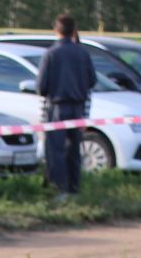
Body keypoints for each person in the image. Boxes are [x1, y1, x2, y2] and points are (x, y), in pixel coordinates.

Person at [37, 12, 97, 199]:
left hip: (58, 107)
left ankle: (58, 188)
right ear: (73, 31)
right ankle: (74, 187)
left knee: (56, 149)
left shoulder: (51, 54)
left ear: (56, 30)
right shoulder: (83, 53)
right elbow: (92, 80)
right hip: (78, 107)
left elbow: (41, 86)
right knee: (74, 150)